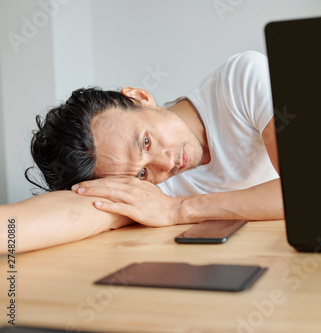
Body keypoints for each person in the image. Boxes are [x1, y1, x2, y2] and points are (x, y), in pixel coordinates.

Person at [0, 51, 284, 253]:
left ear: (139, 97)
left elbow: (310, 190)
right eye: (142, 172)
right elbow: (67, 213)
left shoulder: (241, 82)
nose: (166, 163)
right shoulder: (147, 190)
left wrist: (178, 209)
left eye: (146, 142)